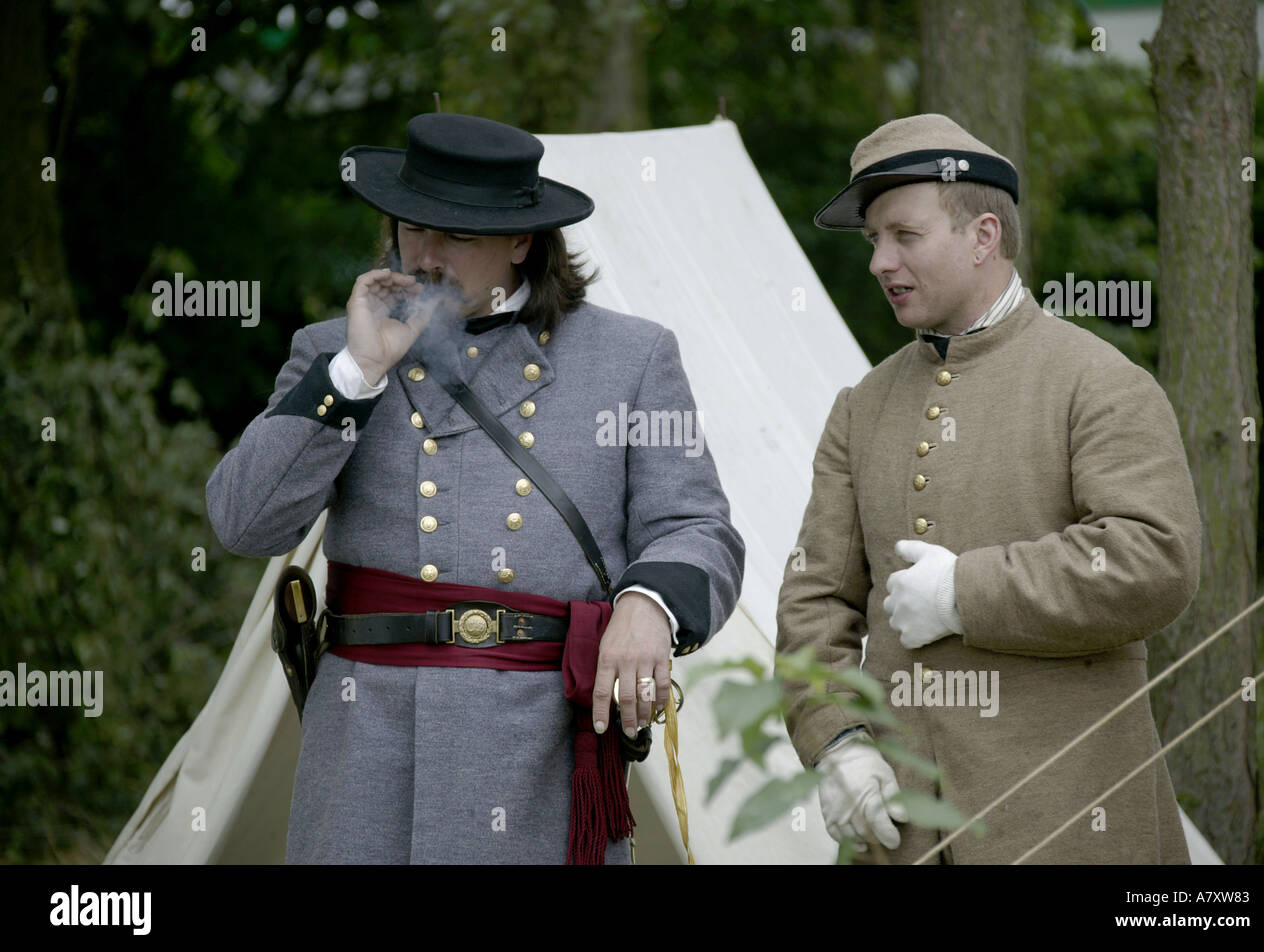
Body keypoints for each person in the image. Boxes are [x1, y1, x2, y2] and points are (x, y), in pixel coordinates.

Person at [206, 112, 744, 864]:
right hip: (363, 755)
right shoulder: (334, 353)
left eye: (455, 235)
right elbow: (242, 520)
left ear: (521, 242)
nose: (423, 255)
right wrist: (357, 375)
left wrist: (646, 605)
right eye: (411, 226)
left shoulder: (632, 357)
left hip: (538, 763)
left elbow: (698, 528)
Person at [776, 113, 1200, 864]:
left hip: (1070, 822)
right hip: (905, 829)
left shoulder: (1097, 382)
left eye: (904, 235)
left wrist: (967, 593)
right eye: (873, 239)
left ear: (982, 237)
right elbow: (817, 599)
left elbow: (1155, 559)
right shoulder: (861, 406)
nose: (879, 260)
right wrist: (837, 739)